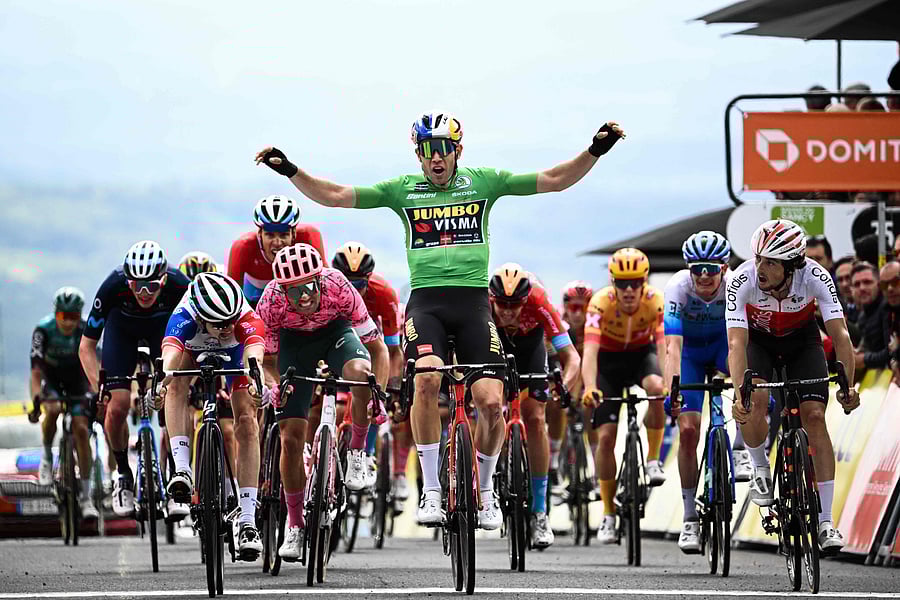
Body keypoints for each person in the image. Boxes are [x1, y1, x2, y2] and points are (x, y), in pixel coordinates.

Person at [255, 110, 625, 532]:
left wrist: (595, 149)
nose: (436, 158)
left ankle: (485, 493)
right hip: (426, 304)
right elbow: (337, 194)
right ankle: (431, 489)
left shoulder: (484, 182)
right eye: (427, 150)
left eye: (443, 149)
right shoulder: (404, 190)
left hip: (472, 305)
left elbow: (555, 179)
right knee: (427, 380)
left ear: (457, 151)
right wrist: (290, 171)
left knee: (489, 401)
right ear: (418, 154)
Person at [725, 219, 860, 553]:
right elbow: (736, 344)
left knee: (814, 417)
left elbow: (840, 335)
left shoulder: (815, 276)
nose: (760, 268)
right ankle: (759, 467)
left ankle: (826, 521)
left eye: (770, 262)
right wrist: (740, 391)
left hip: (803, 343)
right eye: (758, 258)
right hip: (759, 343)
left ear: (791, 266)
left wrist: (848, 385)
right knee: (756, 400)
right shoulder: (742, 280)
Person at [256, 243, 389, 560]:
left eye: (309, 287)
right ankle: (295, 525)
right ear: (282, 290)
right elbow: (267, 358)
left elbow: (378, 348)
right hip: (293, 346)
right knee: (289, 437)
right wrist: (273, 385)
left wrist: (378, 394)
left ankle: (357, 451)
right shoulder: (272, 300)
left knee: (360, 372)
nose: (303, 297)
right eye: (294, 291)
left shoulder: (338, 285)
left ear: (320, 279)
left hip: (336, 335)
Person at [158, 272, 267, 559]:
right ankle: (182, 468)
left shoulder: (245, 317)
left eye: (229, 322)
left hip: (235, 354)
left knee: (247, 422)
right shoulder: (185, 313)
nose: (225, 328)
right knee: (175, 385)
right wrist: (160, 383)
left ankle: (247, 521)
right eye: (218, 323)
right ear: (200, 315)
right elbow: (169, 359)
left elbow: (253, 357)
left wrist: (256, 383)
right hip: (193, 350)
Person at [79, 241, 190, 516]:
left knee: (175, 394)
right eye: (136, 285)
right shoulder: (112, 286)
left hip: (163, 333)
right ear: (127, 280)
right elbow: (86, 347)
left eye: (151, 286)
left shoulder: (180, 285)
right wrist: (99, 388)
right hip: (122, 333)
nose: (143, 293)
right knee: (116, 407)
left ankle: (178, 476)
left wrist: (190, 381)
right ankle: (123, 474)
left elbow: (197, 338)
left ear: (163, 280)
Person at [663, 231, 748, 554]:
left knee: (750, 387)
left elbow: (743, 340)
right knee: (687, 431)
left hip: (724, 347)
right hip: (690, 355)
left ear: (724, 268)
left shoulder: (735, 286)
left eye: (711, 268)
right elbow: (672, 345)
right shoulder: (678, 288)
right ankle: (689, 517)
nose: (703, 276)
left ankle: (740, 447)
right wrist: (674, 390)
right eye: (697, 268)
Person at [489, 263, 580, 548]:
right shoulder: (482, 304)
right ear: (492, 299)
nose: (507, 310)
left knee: (536, 418)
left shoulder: (540, 301)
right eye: (501, 303)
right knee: (487, 407)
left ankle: (540, 511)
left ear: (526, 299)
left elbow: (572, 357)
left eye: (514, 304)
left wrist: (564, 385)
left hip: (530, 349)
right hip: (495, 347)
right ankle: (486, 483)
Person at [581, 247, 667, 544]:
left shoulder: (656, 301)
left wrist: (670, 383)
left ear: (644, 281)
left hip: (642, 356)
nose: (629, 290)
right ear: (612, 281)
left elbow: (664, 347)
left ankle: (653, 459)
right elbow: (589, 351)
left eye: (635, 283)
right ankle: (608, 513)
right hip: (610, 363)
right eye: (622, 283)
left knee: (657, 390)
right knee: (605, 437)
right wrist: (590, 385)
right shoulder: (599, 304)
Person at [331, 242, 407, 496]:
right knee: (332, 404)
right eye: (347, 284)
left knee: (372, 402)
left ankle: (368, 452)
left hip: (373, 354)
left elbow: (393, 352)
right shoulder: (327, 291)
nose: (354, 291)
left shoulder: (384, 295)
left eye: (360, 285)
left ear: (369, 279)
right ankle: (316, 454)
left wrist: (390, 387)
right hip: (338, 350)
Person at [29, 287, 99, 520]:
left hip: (79, 381)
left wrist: (97, 393)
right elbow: (36, 371)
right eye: (63, 316)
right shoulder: (43, 330)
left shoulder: (85, 329)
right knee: (53, 409)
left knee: (81, 429)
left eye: (73, 317)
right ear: (56, 313)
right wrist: (36, 398)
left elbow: (95, 366)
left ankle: (86, 497)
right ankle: (48, 456)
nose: (68, 323)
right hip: (53, 380)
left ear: (79, 316)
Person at [227, 194, 327, 308]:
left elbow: (328, 282)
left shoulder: (308, 236)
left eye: (284, 235)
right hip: (255, 299)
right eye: (270, 235)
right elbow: (231, 297)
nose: (278, 243)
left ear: (294, 234)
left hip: (297, 297)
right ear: (259, 235)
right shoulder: (243, 246)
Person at [547, 281, 594, 491]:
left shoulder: (595, 325)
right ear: (565, 306)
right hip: (564, 371)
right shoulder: (557, 322)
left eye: (583, 307)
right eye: (574, 307)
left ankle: (595, 469)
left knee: (591, 410)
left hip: (587, 375)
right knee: (560, 406)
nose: (578, 314)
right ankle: (558, 458)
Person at [851, 262, 889, 371]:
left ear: (879, 284)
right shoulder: (863, 316)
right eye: (857, 284)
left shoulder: (887, 309)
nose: (862, 288)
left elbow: (892, 352)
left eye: (867, 282)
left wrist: (864, 359)